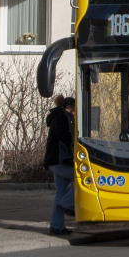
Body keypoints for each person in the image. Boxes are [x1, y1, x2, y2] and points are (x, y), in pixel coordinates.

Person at [43, 95, 75, 236]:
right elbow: (67, 138)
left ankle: (56, 226)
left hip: (55, 161)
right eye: (75, 110)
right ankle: (66, 204)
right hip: (60, 161)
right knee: (85, 180)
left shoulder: (57, 116)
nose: (75, 113)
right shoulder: (63, 117)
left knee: (60, 193)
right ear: (69, 108)